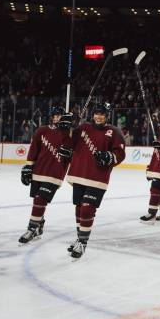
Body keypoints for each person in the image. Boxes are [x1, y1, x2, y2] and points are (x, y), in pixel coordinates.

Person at [65, 102, 126, 259]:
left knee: (87, 208)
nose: (98, 116)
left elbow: (120, 153)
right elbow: (68, 141)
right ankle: (80, 237)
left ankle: (83, 243)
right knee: (79, 208)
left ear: (106, 116)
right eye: (96, 113)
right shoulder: (83, 128)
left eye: (102, 114)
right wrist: (68, 126)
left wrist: (109, 157)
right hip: (79, 173)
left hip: (98, 177)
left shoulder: (114, 132)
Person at [18, 106, 73, 245]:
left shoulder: (69, 133)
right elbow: (33, 150)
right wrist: (28, 166)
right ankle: (39, 225)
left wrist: (70, 151)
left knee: (40, 199)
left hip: (55, 174)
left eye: (59, 116)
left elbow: (75, 152)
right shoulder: (42, 130)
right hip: (38, 172)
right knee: (37, 200)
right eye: (55, 116)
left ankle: (31, 229)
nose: (57, 118)